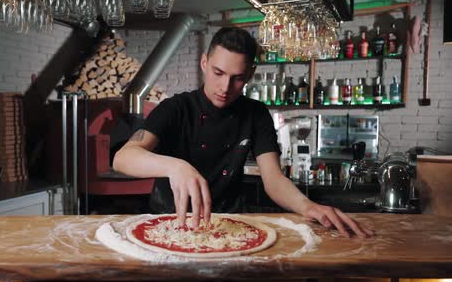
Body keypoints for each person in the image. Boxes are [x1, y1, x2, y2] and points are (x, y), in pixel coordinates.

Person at [113, 27, 373, 238]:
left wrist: (308, 206)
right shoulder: (175, 108)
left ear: (251, 74)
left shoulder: (256, 113)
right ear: (204, 63)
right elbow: (123, 158)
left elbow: (274, 180)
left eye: (237, 78)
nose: (225, 87)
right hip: (169, 222)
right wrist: (175, 167)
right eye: (218, 73)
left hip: (230, 225)